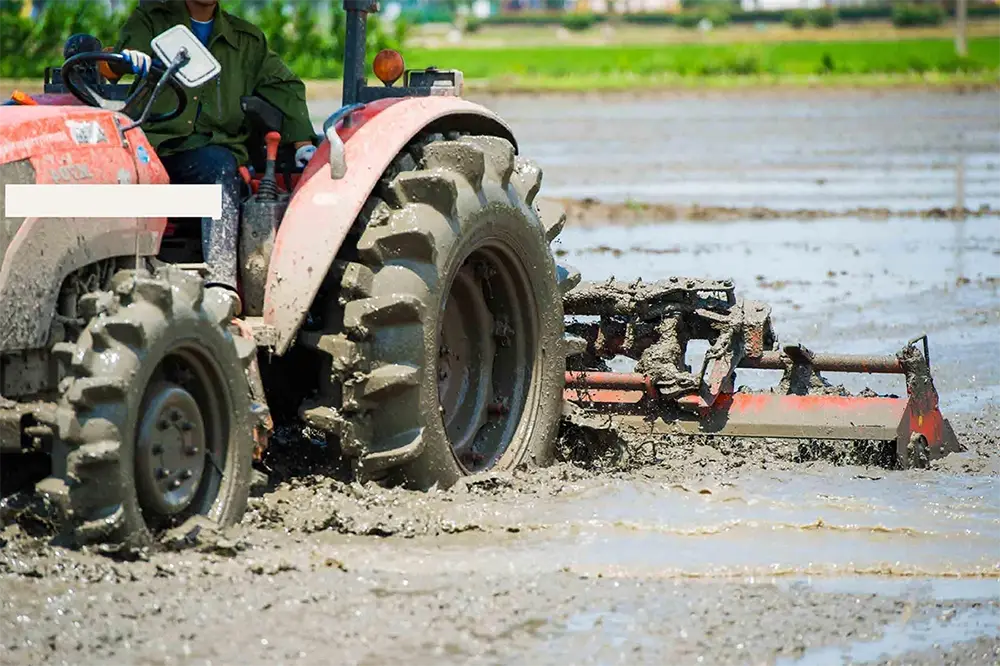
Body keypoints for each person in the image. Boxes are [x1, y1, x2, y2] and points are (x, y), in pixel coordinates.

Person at [112, 0, 317, 314]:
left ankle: (221, 283)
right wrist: (128, 60)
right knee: (105, 168)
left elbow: (284, 87)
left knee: (219, 165)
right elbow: (114, 66)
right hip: (153, 148)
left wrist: (303, 145)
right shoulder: (152, 20)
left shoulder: (246, 41)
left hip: (209, 157)